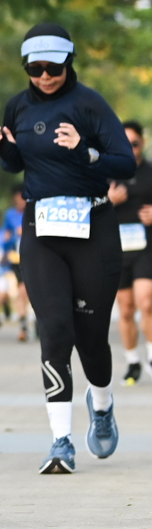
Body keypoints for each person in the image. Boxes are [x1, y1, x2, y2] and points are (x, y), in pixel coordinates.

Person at [0, 22, 135, 474]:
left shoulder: (90, 104)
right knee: (54, 331)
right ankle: (61, 442)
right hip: (42, 230)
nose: (45, 76)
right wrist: (5, 151)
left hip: (94, 227)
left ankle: (102, 403)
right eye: (35, 69)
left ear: (69, 62)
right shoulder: (17, 107)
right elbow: (18, 165)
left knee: (91, 339)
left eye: (53, 68)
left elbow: (126, 164)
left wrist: (85, 150)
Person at [107, 121, 152, 385]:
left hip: (147, 246)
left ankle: (151, 355)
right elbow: (90, 209)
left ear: (142, 144)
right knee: (125, 309)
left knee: (146, 301)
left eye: (134, 144)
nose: (130, 149)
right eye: (125, 143)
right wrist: (109, 201)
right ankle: (133, 361)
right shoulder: (107, 173)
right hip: (118, 248)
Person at [3, 188, 31, 341]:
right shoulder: (10, 215)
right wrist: (5, 249)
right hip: (17, 257)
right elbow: (7, 235)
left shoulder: (34, 211)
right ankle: (23, 324)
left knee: (30, 292)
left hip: (33, 256)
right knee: (22, 290)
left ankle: (36, 322)